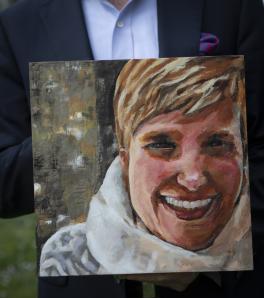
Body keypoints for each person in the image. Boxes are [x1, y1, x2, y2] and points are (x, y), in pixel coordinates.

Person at [0, 0, 263, 298]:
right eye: (162, 145)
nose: (192, 176)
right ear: (123, 155)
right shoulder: (19, 23)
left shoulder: (232, 8)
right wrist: (67, 138)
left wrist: (221, 254)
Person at [40, 56, 252, 278]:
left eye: (217, 143)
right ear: (125, 160)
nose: (193, 178)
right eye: (162, 145)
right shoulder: (71, 256)